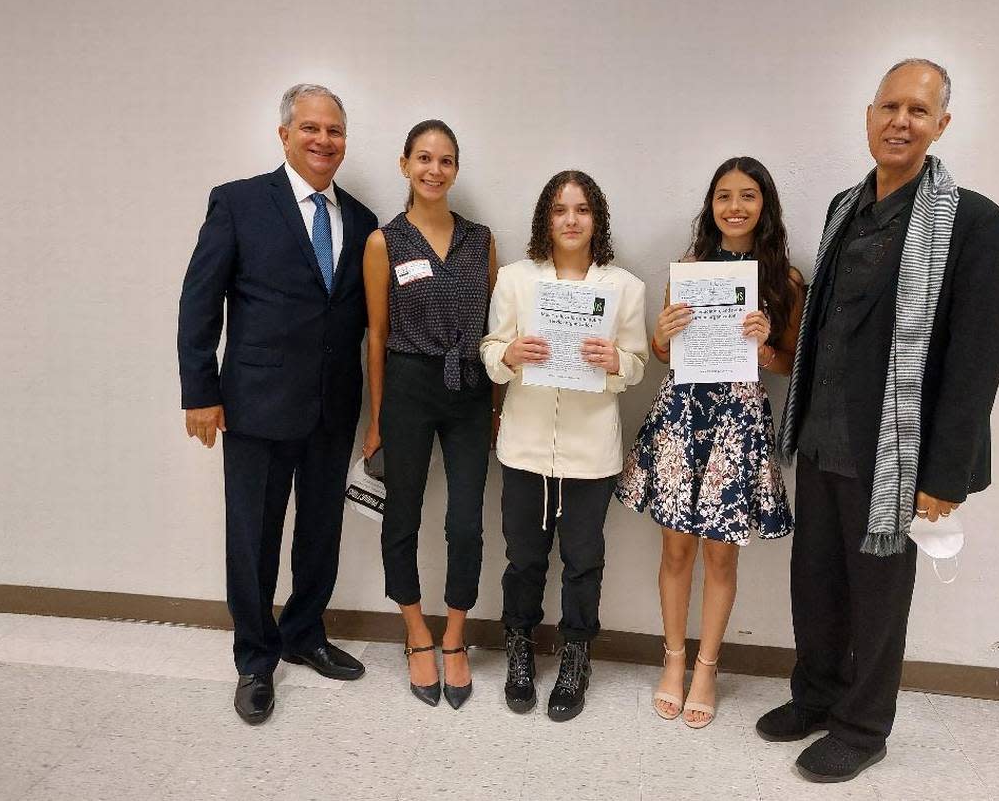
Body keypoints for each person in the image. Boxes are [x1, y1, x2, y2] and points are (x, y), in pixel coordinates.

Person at [756, 59, 999, 782]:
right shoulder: (844, 204)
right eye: (890, 106)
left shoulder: (974, 221)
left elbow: (977, 356)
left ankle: (864, 727)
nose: (901, 121)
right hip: (823, 433)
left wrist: (945, 476)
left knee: (878, 596)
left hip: (896, 450)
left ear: (941, 126)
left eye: (918, 111)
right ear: (869, 116)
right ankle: (816, 695)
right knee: (816, 582)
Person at [177, 84, 377, 724]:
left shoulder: (364, 221)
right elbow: (199, 301)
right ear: (285, 134)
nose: (324, 141)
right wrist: (199, 393)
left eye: (336, 132)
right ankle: (255, 658)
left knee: (322, 529)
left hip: (331, 406)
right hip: (254, 405)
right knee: (254, 536)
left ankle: (304, 632)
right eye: (312, 128)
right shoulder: (238, 203)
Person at [617, 157, 803, 729]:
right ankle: (672, 660)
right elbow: (665, 355)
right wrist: (663, 333)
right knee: (676, 549)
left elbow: (790, 365)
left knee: (722, 554)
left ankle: (707, 667)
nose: (735, 207)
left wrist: (767, 342)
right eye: (724, 196)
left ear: (764, 206)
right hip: (682, 417)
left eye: (748, 196)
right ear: (711, 206)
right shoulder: (691, 268)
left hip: (738, 425)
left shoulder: (786, 280)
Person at [481, 170, 648, 722]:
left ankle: (577, 653)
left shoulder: (624, 286)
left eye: (581, 210)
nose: (571, 220)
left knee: (583, 560)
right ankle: (520, 647)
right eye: (559, 210)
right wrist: (509, 356)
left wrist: (615, 363)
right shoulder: (514, 280)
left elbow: (638, 365)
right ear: (545, 220)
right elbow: (490, 350)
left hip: (590, 450)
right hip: (525, 445)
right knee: (523, 559)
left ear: (596, 219)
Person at [362, 120, 496, 710]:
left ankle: (455, 636)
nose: (433, 170)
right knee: (404, 516)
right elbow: (377, 336)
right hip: (409, 386)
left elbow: (495, 330)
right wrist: (376, 418)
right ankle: (416, 631)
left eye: (445, 160)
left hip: (469, 385)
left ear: (456, 169)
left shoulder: (481, 240)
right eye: (423, 158)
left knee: (465, 520)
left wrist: (493, 409)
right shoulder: (384, 242)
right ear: (404, 165)